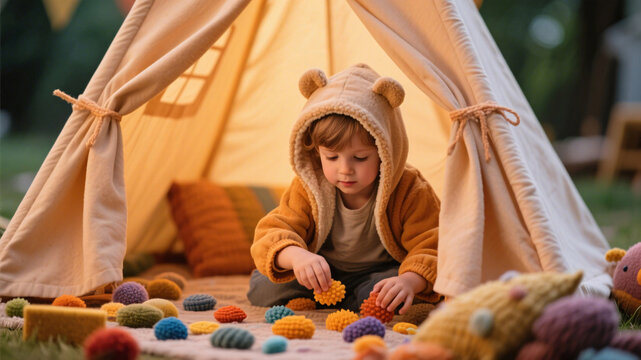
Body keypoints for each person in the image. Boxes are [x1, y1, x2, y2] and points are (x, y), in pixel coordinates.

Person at [247, 63, 441, 314]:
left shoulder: (410, 189)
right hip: (322, 271)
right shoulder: (309, 185)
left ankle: (357, 296)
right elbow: (273, 231)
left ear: (385, 153)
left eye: (360, 158)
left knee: (390, 296)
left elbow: (432, 244)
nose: (345, 169)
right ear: (317, 153)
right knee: (262, 289)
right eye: (332, 157)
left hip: (379, 273)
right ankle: (337, 295)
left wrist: (408, 282)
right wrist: (298, 257)